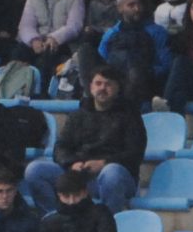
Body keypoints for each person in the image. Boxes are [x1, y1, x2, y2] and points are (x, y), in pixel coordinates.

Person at [22, 66, 143, 212]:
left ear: (118, 88)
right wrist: (72, 163)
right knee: (35, 170)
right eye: (98, 83)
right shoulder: (78, 115)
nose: (102, 88)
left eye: (108, 84)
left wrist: (104, 163)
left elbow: (135, 154)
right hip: (79, 175)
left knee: (112, 172)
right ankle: (55, 218)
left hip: (114, 177)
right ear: (91, 87)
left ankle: (108, 220)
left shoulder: (130, 117)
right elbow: (60, 147)